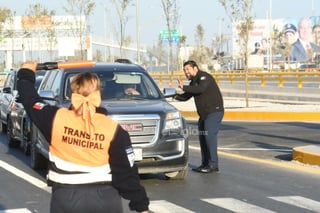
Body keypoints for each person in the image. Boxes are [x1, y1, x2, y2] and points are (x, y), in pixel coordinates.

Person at [17, 62, 149, 213]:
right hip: (105, 200)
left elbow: (30, 100)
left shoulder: (55, 119)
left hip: (65, 199)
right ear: (99, 94)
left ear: (72, 94)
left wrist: (26, 74)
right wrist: (141, 207)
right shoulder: (114, 130)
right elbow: (127, 172)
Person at [174, 60, 224, 174]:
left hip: (214, 112)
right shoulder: (193, 83)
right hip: (204, 115)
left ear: (195, 68)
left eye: (188, 69)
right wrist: (174, 96)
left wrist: (184, 87)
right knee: (203, 139)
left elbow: (200, 89)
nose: (186, 72)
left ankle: (213, 164)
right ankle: (205, 163)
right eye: (184, 70)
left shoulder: (204, 77)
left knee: (209, 137)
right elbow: (186, 96)